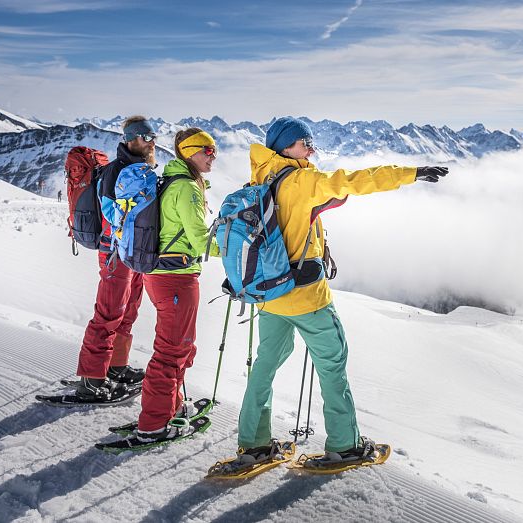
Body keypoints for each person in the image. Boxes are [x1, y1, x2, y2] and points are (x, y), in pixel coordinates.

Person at [228, 116, 448, 468]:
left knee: (265, 366)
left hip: (269, 295)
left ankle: (253, 443)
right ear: (286, 146)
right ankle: (345, 446)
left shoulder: (260, 177)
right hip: (307, 298)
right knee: (332, 366)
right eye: (305, 143)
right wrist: (411, 173)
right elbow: (354, 181)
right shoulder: (302, 180)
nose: (312, 150)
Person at [127, 128, 220, 443]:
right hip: (176, 278)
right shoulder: (187, 188)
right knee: (171, 351)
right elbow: (201, 241)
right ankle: (154, 423)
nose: (213, 155)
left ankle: (172, 406)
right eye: (208, 149)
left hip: (162, 275)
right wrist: (239, 245)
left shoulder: (174, 180)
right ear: (190, 151)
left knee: (180, 345)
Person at [74, 115, 157, 401]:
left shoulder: (140, 167)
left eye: (153, 137)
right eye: (146, 137)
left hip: (132, 253)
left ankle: (116, 367)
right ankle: (92, 379)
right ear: (132, 139)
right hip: (114, 253)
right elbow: (111, 214)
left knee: (128, 311)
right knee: (108, 314)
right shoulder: (115, 171)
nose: (152, 142)